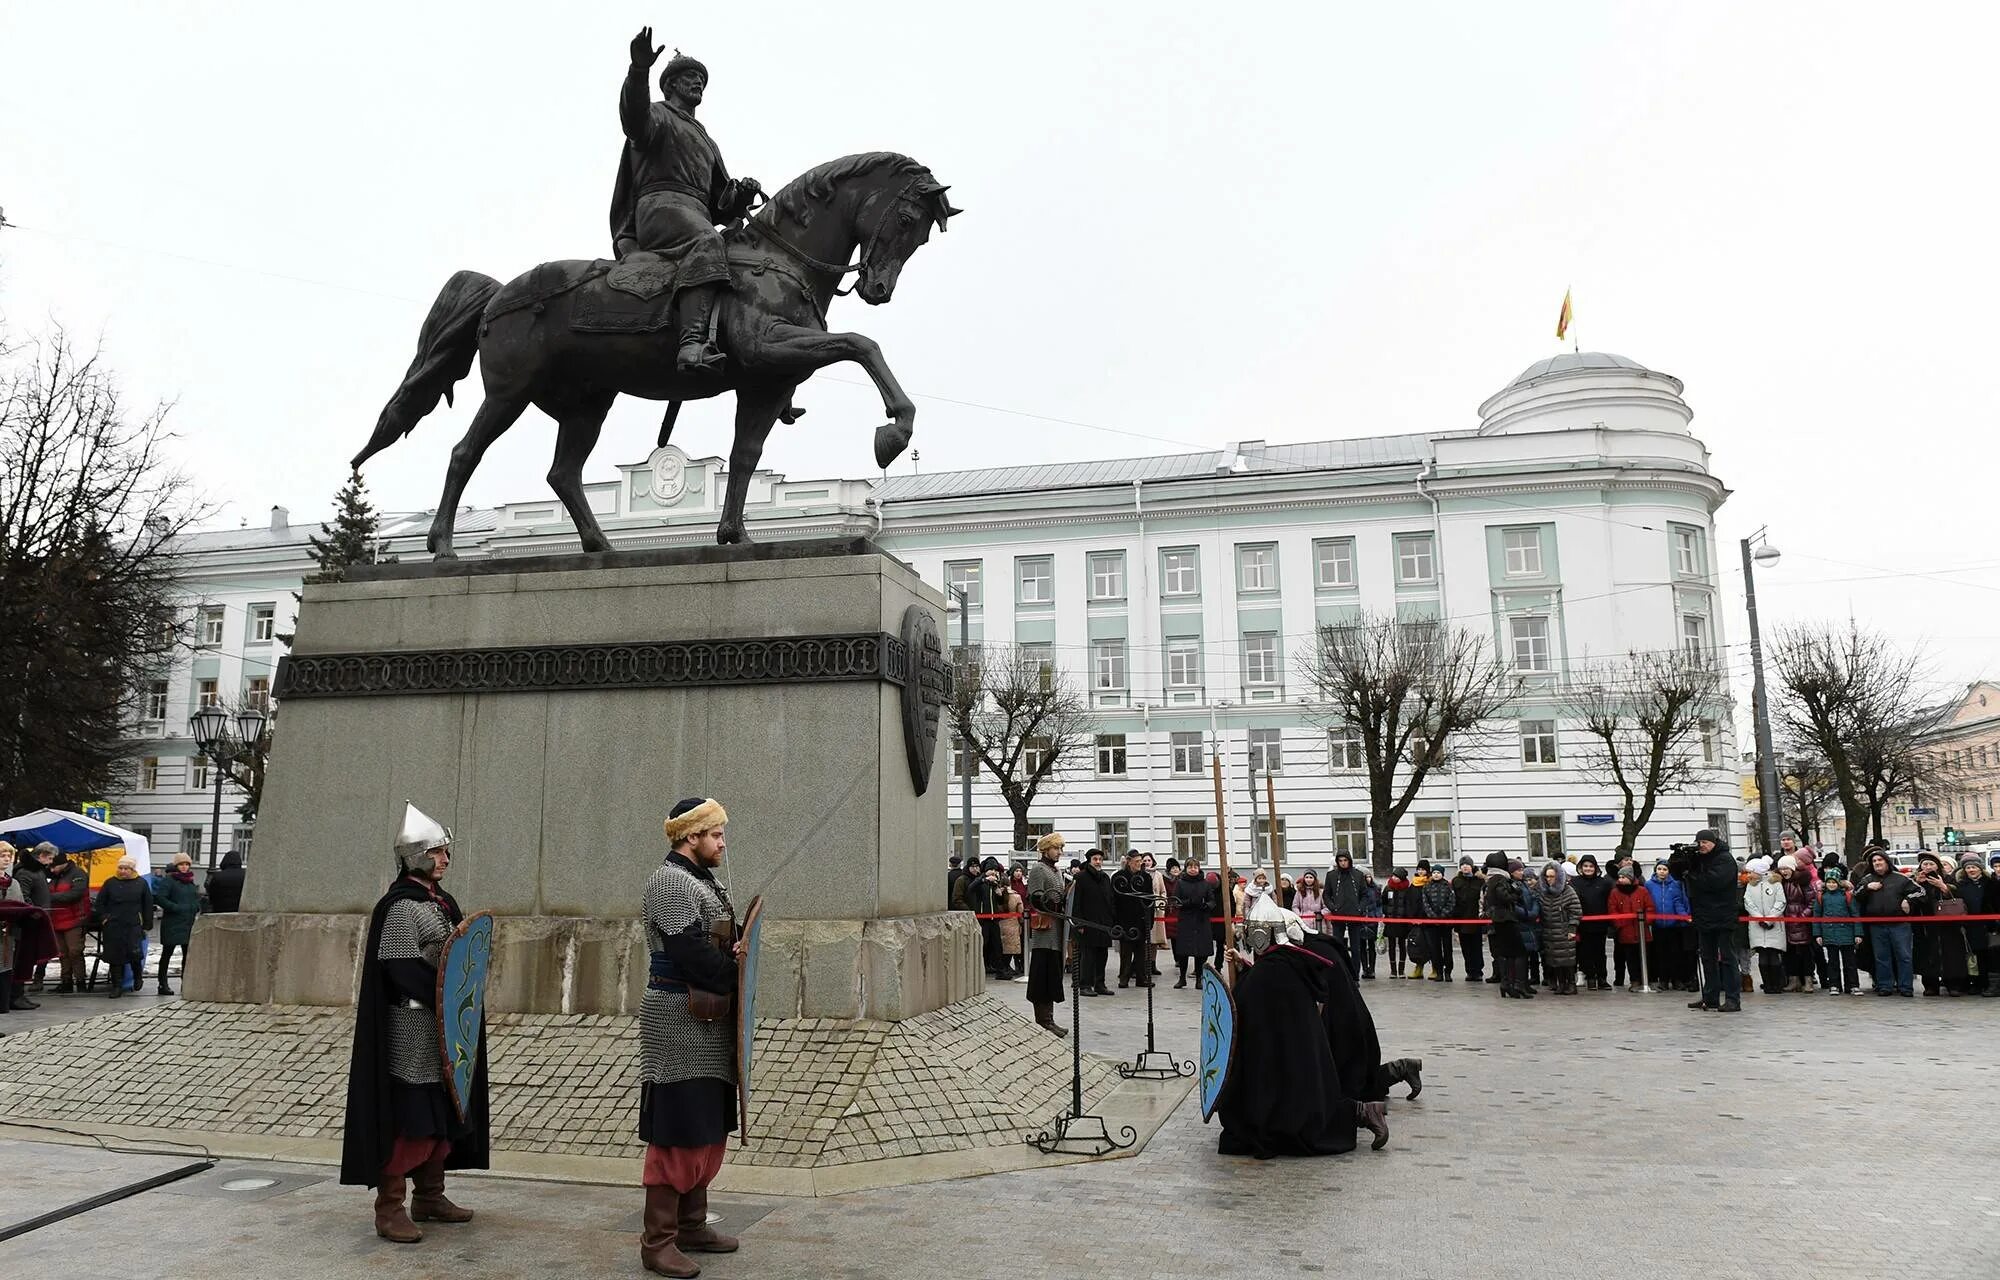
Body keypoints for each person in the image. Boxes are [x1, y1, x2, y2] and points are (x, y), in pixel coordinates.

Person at [340, 803, 487, 1246]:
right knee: (410, 1119)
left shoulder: (440, 903)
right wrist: (445, 993)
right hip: (412, 1025)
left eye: (446, 852)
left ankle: (430, 1196)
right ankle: (390, 1208)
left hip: (441, 1027)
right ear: (414, 856)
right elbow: (400, 968)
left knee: (442, 1112)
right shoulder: (400, 907)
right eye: (437, 852)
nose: (445, 859)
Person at [633, 797, 745, 1276]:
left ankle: (692, 1224)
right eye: (715, 834)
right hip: (677, 1018)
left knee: (706, 1126)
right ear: (689, 836)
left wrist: (737, 950)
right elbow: (688, 953)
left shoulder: (706, 882)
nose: (722, 843)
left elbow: (715, 942)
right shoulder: (670, 882)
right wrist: (733, 970)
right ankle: (657, 1242)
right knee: (677, 1132)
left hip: (707, 1018)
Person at [611, 29, 764, 374]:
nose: (698, 84)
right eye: (691, 78)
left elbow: (722, 205)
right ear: (672, 85)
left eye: (701, 80)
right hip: (660, 208)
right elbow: (632, 119)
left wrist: (742, 193)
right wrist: (638, 71)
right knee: (708, 240)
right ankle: (692, 344)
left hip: (695, 213)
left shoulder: (707, 140)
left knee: (746, 261)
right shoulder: (657, 115)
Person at [1214, 895, 1371, 1158]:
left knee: (1280, 1109)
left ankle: (1363, 1113)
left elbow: (1246, 1001)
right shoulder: (1288, 962)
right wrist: (1244, 967)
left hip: (1275, 1063)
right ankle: (1363, 1112)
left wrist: (1242, 978)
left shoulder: (1271, 972)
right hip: (1295, 1060)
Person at [1668, 828, 1742, 1013]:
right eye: (1699, 842)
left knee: (1727, 958)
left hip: (1723, 915)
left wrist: (1690, 876)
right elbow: (1677, 874)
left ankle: (1733, 998)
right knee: (1707, 958)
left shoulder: (1725, 859)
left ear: (1713, 842)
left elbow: (1714, 882)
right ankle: (1710, 997)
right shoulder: (1698, 858)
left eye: (1705, 842)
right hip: (1703, 914)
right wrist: (1678, 860)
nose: (1701, 846)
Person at [1853, 849, 1920, 997]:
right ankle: (1884, 986)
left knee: (1904, 956)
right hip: (1877, 925)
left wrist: (1908, 900)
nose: (1877, 863)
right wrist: (1866, 888)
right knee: (1881, 957)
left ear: (1886, 862)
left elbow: (1920, 891)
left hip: (1900, 924)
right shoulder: (1867, 879)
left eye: (1880, 860)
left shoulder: (1901, 878)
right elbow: (1855, 895)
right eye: (1874, 861)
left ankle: (1906, 987)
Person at [89, 857, 153, 1000]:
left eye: (126, 869)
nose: (123, 871)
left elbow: (147, 905)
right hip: (113, 925)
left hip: (133, 924)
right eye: (121, 868)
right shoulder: (110, 883)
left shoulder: (141, 883)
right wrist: (104, 918)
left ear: (132, 870)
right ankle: (117, 986)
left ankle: (138, 976)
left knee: (134, 953)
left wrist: (147, 924)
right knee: (115, 956)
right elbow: (100, 904)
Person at [1025, 833, 1069, 1033]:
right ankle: (1043, 1020)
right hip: (1045, 932)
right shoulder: (1038, 870)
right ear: (1045, 849)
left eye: (1060, 848)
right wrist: (1053, 902)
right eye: (1056, 848)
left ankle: (1049, 1018)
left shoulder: (1057, 871)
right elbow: (1034, 898)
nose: (1059, 852)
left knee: (1052, 975)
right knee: (1042, 975)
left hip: (1057, 930)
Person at [1479, 852, 1530, 999]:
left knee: (1506, 954)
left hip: (1499, 920)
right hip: (1506, 919)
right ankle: (1516, 985)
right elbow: (1505, 897)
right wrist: (1517, 894)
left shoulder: (1491, 879)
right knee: (1518, 952)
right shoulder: (1500, 879)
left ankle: (1507, 984)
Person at [1910, 851, 1961, 997]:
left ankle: (1952, 984)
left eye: (1931, 864)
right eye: (1924, 864)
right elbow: (1911, 899)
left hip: (1947, 924)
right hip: (1925, 925)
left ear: (1937, 866)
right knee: (1927, 954)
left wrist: (1943, 886)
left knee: (1949, 954)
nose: (1928, 867)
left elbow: (1957, 896)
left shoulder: (1948, 879)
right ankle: (1930, 985)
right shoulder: (1915, 881)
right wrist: (1917, 884)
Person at [153, 852, 202, 996]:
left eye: (187, 864)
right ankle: (162, 983)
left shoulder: (190, 881)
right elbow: (161, 898)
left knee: (187, 954)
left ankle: (185, 983)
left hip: (188, 923)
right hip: (172, 923)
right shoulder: (169, 881)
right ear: (176, 866)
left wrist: (196, 906)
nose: (184, 867)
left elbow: (194, 897)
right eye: (181, 864)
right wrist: (175, 907)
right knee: (167, 954)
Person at [1070, 849, 1117, 997]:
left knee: (1102, 955)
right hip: (1087, 923)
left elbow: (1110, 900)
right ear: (1089, 860)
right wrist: (1079, 923)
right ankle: (1085, 985)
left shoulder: (1105, 878)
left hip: (1103, 923)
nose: (1098, 862)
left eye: (1100, 859)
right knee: (1088, 956)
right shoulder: (1081, 877)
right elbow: (1076, 903)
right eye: (1095, 859)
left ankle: (1100, 983)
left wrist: (1111, 922)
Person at [43, 845, 89, 994]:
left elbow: (74, 894)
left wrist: (49, 897)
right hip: (56, 920)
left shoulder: (78, 874)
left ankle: (81, 982)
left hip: (75, 920)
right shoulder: (54, 876)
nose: (51, 870)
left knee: (75, 951)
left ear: (62, 863)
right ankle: (66, 982)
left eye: (53, 866)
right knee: (62, 953)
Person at [1812, 865, 1862, 995]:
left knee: (1850, 962)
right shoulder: (1821, 897)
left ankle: (1852, 985)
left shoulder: (1847, 896)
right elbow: (1817, 916)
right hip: (1829, 933)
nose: (1831, 884)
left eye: (1834, 882)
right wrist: (1817, 934)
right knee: (1832, 962)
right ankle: (1834, 984)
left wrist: (1858, 933)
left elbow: (1855, 915)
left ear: (1839, 882)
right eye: (1829, 882)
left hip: (1847, 933)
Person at [1645, 860, 1693, 992]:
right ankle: (1663, 980)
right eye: (1659, 869)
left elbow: (1678, 902)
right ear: (1655, 870)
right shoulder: (1649, 885)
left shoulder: (1675, 884)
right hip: (1658, 925)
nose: (1662, 872)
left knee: (1675, 954)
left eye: (1665, 869)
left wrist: (1684, 916)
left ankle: (1676, 979)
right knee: (1660, 954)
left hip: (1673, 925)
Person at [1109, 850, 1154, 989]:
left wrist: (1149, 919)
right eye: (1136, 862)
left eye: (1140, 862)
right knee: (1126, 952)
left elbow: (1149, 899)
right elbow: (1113, 900)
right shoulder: (1119, 877)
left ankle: (1141, 977)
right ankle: (1124, 977)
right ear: (1128, 862)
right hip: (1125, 920)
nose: (1139, 864)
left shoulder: (1145, 877)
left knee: (1141, 951)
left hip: (1141, 919)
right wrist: (1115, 921)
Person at [1569, 855, 1612, 990]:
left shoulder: (1604, 883)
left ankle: (1602, 978)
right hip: (1582, 925)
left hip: (1600, 925)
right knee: (1584, 953)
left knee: (1600, 953)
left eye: (1591, 866)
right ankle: (1590, 978)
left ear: (1596, 868)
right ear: (1581, 867)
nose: (1588, 869)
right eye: (1585, 866)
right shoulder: (1575, 883)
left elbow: (1608, 902)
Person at [1171, 859, 1216, 988]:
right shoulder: (1180, 883)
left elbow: (1212, 901)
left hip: (1201, 920)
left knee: (1200, 952)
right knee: (1183, 951)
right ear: (1186, 868)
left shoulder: (1205, 883)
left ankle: (1199, 979)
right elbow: (1175, 901)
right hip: (1186, 920)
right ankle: (1182, 978)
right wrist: (1188, 902)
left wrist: (1205, 905)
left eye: (1195, 867)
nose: (1193, 869)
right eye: (1190, 867)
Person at [1324, 852, 1369, 977]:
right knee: (1338, 947)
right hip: (1338, 916)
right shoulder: (1331, 875)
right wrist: (1333, 908)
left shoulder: (1358, 875)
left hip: (1355, 916)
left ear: (1349, 860)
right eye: (1340, 860)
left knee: (1356, 948)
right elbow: (1326, 895)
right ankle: (1340, 974)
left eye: (1345, 860)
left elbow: (1364, 895)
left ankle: (1355, 975)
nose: (1343, 863)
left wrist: (1360, 908)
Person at [1538, 862, 1581, 995]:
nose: (1549, 879)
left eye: (1552, 876)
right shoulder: (1544, 893)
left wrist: (1572, 930)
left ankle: (1571, 984)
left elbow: (1576, 911)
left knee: (1567, 959)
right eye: (1547, 876)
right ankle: (1561, 984)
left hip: (1564, 931)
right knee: (1554, 960)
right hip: (1549, 931)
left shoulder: (1568, 891)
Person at [1606, 867, 1650, 992]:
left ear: (1630, 878)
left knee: (1644, 956)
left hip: (1642, 930)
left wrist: (1646, 921)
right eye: (1619, 877)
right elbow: (1612, 909)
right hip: (1625, 932)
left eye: (1623, 877)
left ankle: (1645, 979)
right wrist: (1619, 924)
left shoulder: (1642, 891)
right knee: (1630, 958)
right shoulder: (1615, 892)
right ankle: (1634, 980)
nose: (1621, 879)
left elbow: (1649, 907)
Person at [1778, 855, 1816, 992]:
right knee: (1789, 953)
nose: (1784, 871)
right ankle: (1793, 980)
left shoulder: (1803, 882)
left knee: (1806, 952)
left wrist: (1803, 915)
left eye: (1786, 868)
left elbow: (1812, 901)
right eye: (1781, 868)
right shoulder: (1780, 883)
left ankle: (1808, 980)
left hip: (1801, 921)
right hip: (1786, 921)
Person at [968, 857, 1008, 980]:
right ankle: (977, 970)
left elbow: (1000, 902)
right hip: (983, 919)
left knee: (997, 945)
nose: (993, 872)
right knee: (983, 945)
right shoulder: (981, 882)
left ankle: (1000, 971)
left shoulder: (995, 883)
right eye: (991, 869)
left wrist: (1000, 894)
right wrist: (984, 878)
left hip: (994, 919)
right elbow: (971, 888)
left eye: (994, 870)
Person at [1449, 856, 1486, 985]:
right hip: (1461, 919)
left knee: (1476, 946)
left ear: (1472, 866)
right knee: (1466, 947)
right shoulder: (1456, 881)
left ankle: (1478, 971)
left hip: (1476, 919)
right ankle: (1469, 971)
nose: (1465, 866)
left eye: (1467, 864)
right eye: (1462, 864)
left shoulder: (1480, 881)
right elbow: (1453, 900)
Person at [1419, 865, 1456, 982]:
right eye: (1434, 872)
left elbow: (1451, 902)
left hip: (1446, 923)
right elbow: (1425, 904)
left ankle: (1448, 971)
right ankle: (1438, 971)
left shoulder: (1448, 886)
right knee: (1435, 949)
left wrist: (1442, 915)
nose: (1436, 874)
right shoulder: (1427, 887)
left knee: (1447, 948)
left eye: (1438, 873)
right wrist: (1433, 917)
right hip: (1432, 923)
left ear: (1442, 874)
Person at [1512, 860, 1543, 987]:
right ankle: (1521, 983)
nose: (1521, 872)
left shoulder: (1523, 884)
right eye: (1518, 870)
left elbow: (1533, 898)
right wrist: (1528, 914)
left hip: (1529, 923)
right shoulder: (1513, 885)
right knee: (1522, 955)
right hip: (1521, 923)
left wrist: (1534, 911)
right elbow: (1513, 905)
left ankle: (1526, 983)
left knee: (1530, 953)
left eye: (1521, 869)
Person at [1381, 868, 1415, 978]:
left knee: (1401, 945)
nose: (1394, 878)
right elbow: (1383, 902)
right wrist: (1386, 911)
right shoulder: (1388, 888)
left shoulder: (1407, 889)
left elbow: (1409, 904)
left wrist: (1406, 916)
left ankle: (1401, 970)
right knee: (1391, 945)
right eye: (1393, 876)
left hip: (1402, 922)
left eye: (1397, 877)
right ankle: (1393, 971)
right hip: (1390, 921)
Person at [995, 874, 1025, 980]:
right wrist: (1021, 923)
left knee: (1002, 949)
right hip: (1013, 924)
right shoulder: (1016, 896)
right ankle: (1006, 968)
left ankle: (1003, 968)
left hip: (1000, 924)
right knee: (1011, 949)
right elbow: (1020, 912)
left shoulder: (997, 895)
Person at [1144, 853, 1169, 976]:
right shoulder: (1140, 874)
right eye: (1145, 860)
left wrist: (1161, 902)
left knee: (1154, 941)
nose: (1147, 862)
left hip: (1157, 910)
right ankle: (1144, 964)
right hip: (1145, 911)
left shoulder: (1158, 875)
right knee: (1145, 940)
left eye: (1149, 860)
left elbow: (1163, 891)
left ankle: (1153, 964)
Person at [204, 848, 246, 913]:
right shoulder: (245, 875)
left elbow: (212, 895)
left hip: (220, 909)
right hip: (239, 910)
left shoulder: (217, 876)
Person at [1292, 871, 1325, 936]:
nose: (1308, 879)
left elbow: (1326, 907)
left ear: (1314, 879)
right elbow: (1295, 906)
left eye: (1311, 877)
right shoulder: (1299, 892)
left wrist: (1320, 913)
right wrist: (1299, 915)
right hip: (1303, 921)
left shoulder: (1320, 892)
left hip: (1317, 921)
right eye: (1306, 877)